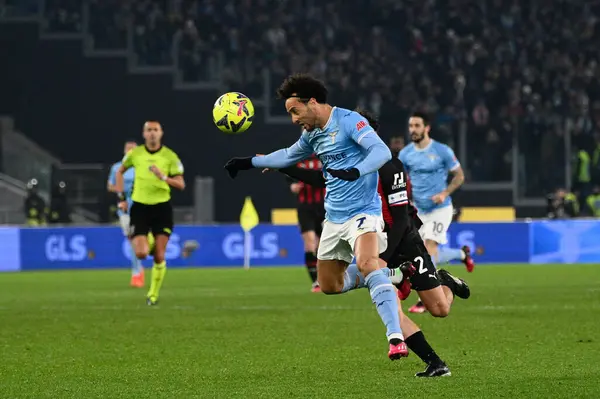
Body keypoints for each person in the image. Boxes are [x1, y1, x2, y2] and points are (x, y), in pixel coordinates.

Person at [225, 74, 408, 360]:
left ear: (311, 102)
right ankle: (385, 275)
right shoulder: (312, 135)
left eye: (294, 111)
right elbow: (287, 156)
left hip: (364, 212)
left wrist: (357, 171)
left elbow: (381, 151)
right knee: (329, 285)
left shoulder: (349, 121)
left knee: (368, 261)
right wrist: (248, 162)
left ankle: (395, 337)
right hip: (334, 217)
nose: (294, 119)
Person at [276, 109, 471, 376]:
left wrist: (385, 255)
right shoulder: (346, 162)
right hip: (372, 239)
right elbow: (320, 178)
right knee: (394, 310)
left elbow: (401, 219)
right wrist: (283, 166)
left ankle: (445, 281)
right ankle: (435, 363)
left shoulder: (390, 165)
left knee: (440, 309)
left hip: (403, 241)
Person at [399, 112, 474, 314]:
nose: (412, 129)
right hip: (418, 210)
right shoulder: (405, 154)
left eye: (416, 125)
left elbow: (459, 176)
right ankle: (460, 256)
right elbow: (401, 181)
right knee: (423, 253)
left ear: (427, 128)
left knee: (429, 245)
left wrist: (444, 193)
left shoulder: (442, 151)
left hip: (440, 209)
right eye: (410, 125)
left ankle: (428, 295)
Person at [114, 121, 185, 306]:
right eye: (149, 130)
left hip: (161, 208)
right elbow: (119, 172)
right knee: (141, 254)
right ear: (144, 134)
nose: (152, 133)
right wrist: (121, 197)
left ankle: (152, 294)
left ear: (161, 133)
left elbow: (181, 184)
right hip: (139, 208)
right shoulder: (135, 154)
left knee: (160, 256)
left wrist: (163, 177)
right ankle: (151, 241)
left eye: (155, 130)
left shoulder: (169, 156)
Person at [108, 140, 144, 287]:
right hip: (123, 209)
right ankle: (138, 269)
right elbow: (110, 186)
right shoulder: (117, 168)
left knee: (136, 239)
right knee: (132, 240)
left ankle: (136, 272)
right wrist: (120, 191)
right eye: (128, 149)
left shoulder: (141, 167)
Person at [287, 154, 325, 292]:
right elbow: (290, 180)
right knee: (310, 244)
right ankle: (315, 281)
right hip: (305, 208)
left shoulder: (325, 154)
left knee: (324, 246)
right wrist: (293, 186)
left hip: (325, 207)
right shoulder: (298, 157)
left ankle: (325, 278)